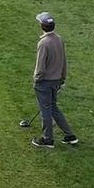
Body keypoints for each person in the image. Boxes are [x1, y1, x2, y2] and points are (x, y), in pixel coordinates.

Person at [31, 11, 78, 147]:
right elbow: (63, 61)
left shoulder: (43, 43)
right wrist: (62, 78)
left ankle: (47, 139)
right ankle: (69, 135)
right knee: (53, 108)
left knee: (45, 110)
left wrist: (37, 79)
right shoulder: (58, 39)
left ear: (41, 26)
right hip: (56, 80)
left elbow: (40, 66)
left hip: (44, 82)